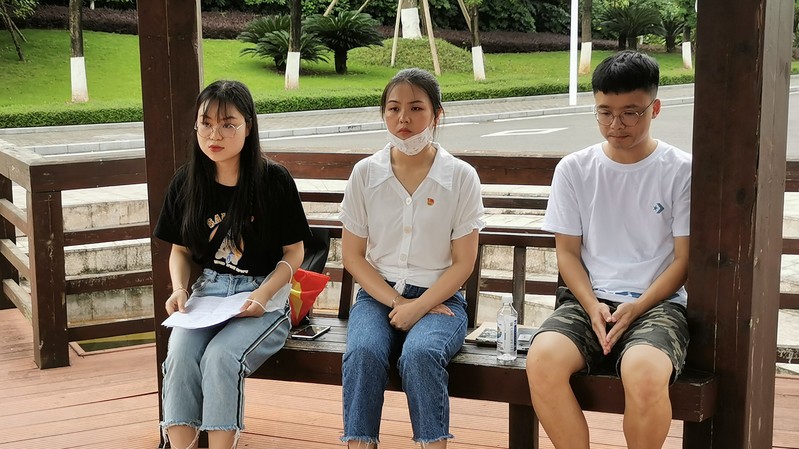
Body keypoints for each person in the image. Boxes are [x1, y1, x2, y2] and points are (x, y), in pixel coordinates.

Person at [525, 50, 691, 449]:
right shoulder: (574, 169)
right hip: (588, 301)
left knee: (644, 373)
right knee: (542, 360)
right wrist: (591, 304)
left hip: (658, 305)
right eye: (605, 112)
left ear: (655, 108)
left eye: (630, 113)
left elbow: (684, 259)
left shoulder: (681, 170)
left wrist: (638, 306)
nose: (616, 125)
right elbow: (567, 253)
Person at [153, 80, 311, 449]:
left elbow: (294, 252)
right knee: (180, 355)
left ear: (248, 126)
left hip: (264, 297)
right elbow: (180, 250)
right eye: (206, 123)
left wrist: (263, 294)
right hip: (208, 293)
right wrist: (179, 289)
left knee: (221, 358)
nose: (214, 134)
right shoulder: (186, 182)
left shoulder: (273, 180)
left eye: (228, 124)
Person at [339, 68, 485, 448]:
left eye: (416, 108)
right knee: (363, 352)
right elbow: (353, 256)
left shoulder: (460, 177)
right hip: (377, 296)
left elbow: (463, 263)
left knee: (421, 354)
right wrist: (399, 303)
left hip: (441, 300)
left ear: (437, 115)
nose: (403, 118)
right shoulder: (365, 174)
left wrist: (419, 305)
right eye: (393, 108)